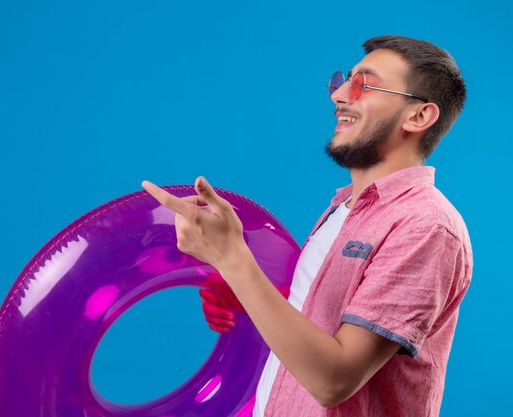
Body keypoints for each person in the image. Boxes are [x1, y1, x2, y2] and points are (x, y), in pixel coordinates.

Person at [142, 35, 473, 417]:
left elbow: (334, 379)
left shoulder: (426, 225)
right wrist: (246, 290)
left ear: (418, 116)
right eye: (343, 81)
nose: (339, 96)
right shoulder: (345, 206)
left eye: (363, 83)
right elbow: (322, 318)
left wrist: (232, 258)